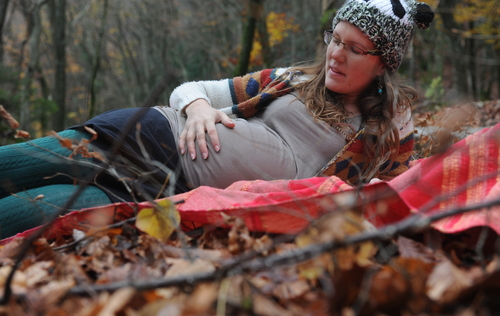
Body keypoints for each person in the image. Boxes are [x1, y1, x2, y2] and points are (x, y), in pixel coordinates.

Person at [0, 0, 434, 239]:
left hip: (166, 200)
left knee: (24, 213)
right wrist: (200, 109)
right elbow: (190, 90)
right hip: (150, 138)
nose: (336, 54)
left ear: (384, 63)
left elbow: (404, 193)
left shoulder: (388, 130)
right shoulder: (290, 80)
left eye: (355, 49)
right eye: (334, 40)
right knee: (17, 165)